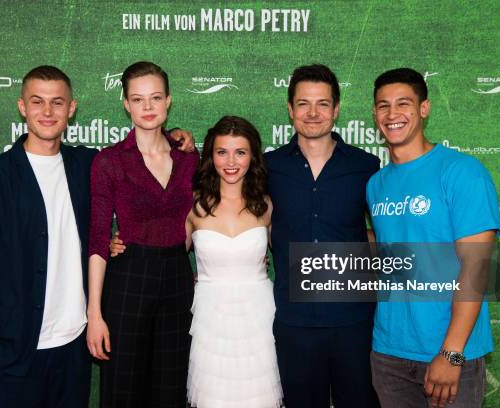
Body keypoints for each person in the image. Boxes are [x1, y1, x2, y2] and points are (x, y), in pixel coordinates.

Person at [162, 64, 380, 407]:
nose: (313, 113)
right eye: (303, 103)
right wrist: (172, 136)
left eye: (322, 104)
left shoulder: (367, 167)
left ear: (337, 109)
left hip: (352, 321)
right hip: (290, 320)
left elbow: (380, 234)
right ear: (290, 109)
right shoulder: (270, 168)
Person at [366, 68, 500, 408]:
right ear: (374, 114)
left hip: (450, 354)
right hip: (389, 353)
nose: (392, 114)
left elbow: (477, 267)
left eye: (403, 104)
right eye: (383, 106)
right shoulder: (376, 184)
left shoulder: (462, 172)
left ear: (424, 108)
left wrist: (451, 354)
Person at [0, 65, 95, 407]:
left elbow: (140, 153)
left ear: (72, 108)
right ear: (22, 106)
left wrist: (175, 137)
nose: (47, 112)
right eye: (37, 102)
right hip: (10, 356)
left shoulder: (87, 166)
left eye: (57, 102)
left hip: (73, 349)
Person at [86, 61, 199, 407]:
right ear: (125, 104)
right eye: (137, 99)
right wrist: (94, 313)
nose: (147, 108)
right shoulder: (110, 161)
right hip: (128, 278)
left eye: (155, 98)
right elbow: (97, 239)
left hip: (178, 280)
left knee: (171, 390)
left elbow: (205, 217)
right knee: (122, 390)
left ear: (169, 101)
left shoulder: (189, 158)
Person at [185, 116, 283, 408]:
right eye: (221, 152)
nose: (231, 161)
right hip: (209, 319)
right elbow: (162, 255)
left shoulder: (266, 206)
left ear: (252, 157)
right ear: (210, 156)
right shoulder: (193, 205)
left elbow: (294, 251)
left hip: (259, 318)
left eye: (240, 152)